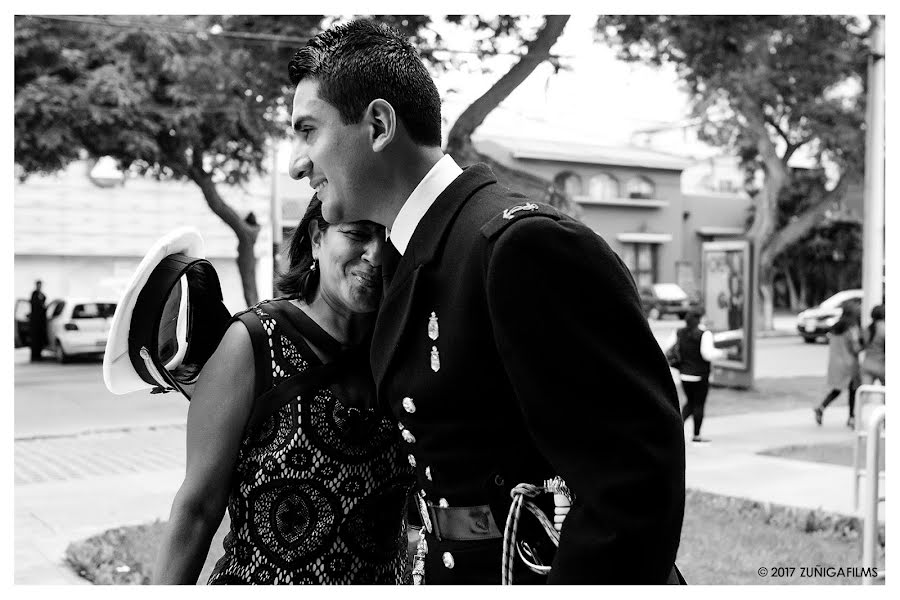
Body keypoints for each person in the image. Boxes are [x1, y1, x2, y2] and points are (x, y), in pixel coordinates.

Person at [288, 20, 685, 584]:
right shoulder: (410, 254)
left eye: (308, 131)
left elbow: (631, 489)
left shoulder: (519, 247)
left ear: (378, 125)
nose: (297, 162)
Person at [152, 196, 414, 584]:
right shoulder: (253, 342)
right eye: (358, 234)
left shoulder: (404, 349)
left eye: (390, 240)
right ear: (316, 238)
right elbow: (198, 509)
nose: (375, 256)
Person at [663, 309, 728, 444]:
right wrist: (721, 353)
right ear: (700, 319)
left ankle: (674, 430)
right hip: (700, 375)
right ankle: (696, 436)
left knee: (690, 403)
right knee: (698, 404)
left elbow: (668, 348)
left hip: (684, 375)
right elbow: (707, 354)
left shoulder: (679, 332)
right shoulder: (704, 334)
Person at [814, 302, 862, 428]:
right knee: (853, 391)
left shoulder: (835, 327)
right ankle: (851, 417)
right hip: (849, 364)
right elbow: (855, 347)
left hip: (836, 364)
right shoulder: (852, 328)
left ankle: (821, 407)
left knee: (837, 390)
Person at [860, 304, 885, 386]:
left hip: (867, 365)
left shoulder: (867, 329)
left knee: (865, 393)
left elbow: (861, 345)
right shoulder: (884, 329)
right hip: (882, 366)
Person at [28, 280, 47, 362]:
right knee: (35, 340)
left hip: (41, 321)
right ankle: (34, 356)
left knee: (40, 340)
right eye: (38, 285)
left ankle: (39, 355)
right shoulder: (34, 294)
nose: (39, 286)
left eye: (40, 285)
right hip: (35, 321)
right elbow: (36, 304)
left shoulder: (41, 294)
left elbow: (44, 302)